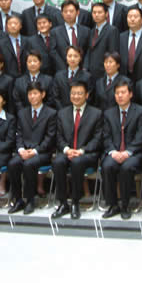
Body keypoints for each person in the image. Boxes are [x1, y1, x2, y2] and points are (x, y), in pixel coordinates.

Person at [52, 81, 103, 219]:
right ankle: (63, 203)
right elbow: (58, 136)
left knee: (77, 162)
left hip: (87, 154)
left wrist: (81, 151)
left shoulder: (96, 113)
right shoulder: (62, 113)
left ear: (87, 95)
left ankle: (75, 202)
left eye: (79, 93)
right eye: (73, 93)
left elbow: (97, 139)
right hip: (68, 151)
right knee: (57, 162)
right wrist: (67, 149)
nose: (76, 96)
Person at [101, 79, 142, 219]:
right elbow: (105, 136)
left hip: (134, 153)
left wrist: (128, 152)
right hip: (114, 152)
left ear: (130, 94)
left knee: (126, 167)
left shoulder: (140, 111)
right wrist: (113, 152)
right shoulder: (108, 113)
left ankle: (125, 205)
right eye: (117, 93)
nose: (120, 96)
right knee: (107, 166)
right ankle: (112, 205)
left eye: (123, 92)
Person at [8, 81, 56, 214]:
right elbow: (18, 134)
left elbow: (50, 137)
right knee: (12, 164)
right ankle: (18, 200)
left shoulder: (51, 113)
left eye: (35, 93)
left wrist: (35, 151)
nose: (32, 96)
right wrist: (21, 150)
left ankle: (30, 200)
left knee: (29, 164)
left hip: (42, 152)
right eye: (30, 94)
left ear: (43, 94)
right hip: (24, 151)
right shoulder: (22, 113)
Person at [83, 2, 119, 80]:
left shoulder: (112, 30)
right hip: (90, 73)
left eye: (99, 12)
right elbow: (89, 51)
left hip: (104, 73)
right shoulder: (91, 31)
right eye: (94, 12)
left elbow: (112, 52)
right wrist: (85, 67)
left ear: (106, 14)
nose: (96, 15)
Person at [52, 0, 91, 71]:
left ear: (77, 12)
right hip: (62, 71)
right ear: (62, 13)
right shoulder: (55, 32)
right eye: (65, 11)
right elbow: (53, 52)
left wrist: (85, 67)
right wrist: (64, 69)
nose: (68, 14)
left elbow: (89, 51)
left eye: (71, 11)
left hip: (82, 70)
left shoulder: (86, 31)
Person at [51, 45, 92, 109]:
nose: (72, 59)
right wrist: (63, 112)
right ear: (66, 58)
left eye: (76, 56)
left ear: (80, 58)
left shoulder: (87, 77)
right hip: (62, 112)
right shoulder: (58, 76)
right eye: (70, 56)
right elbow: (55, 97)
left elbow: (89, 97)